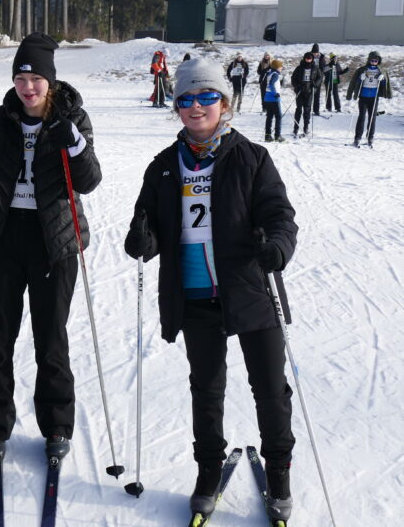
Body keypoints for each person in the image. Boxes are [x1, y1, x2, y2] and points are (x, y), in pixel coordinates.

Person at [123, 58, 298, 524]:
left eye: (206, 98)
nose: (196, 107)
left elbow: (280, 216)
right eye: (186, 99)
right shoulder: (163, 166)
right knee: (206, 390)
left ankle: (279, 472)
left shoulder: (251, 158)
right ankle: (207, 470)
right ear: (177, 106)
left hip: (248, 291)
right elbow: (147, 227)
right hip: (195, 296)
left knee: (270, 390)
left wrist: (277, 246)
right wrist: (142, 239)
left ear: (224, 103)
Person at [0, 32, 102, 464]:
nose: (28, 87)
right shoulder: (2, 120)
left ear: (50, 82)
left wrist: (72, 142)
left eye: (36, 78)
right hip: (4, 238)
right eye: (21, 78)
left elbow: (89, 180)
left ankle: (56, 425)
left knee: (50, 338)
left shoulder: (73, 117)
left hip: (53, 240)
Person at [346, 51, 393, 148]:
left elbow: (386, 84)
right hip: (363, 96)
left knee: (372, 118)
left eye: (376, 61)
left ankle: (370, 138)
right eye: (372, 60)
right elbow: (353, 82)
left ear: (378, 61)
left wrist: (383, 79)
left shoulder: (382, 71)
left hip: (374, 98)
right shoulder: (362, 70)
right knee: (361, 117)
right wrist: (360, 79)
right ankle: (357, 138)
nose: (374, 62)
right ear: (369, 60)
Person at [291, 52, 322, 138]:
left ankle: (305, 128)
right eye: (307, 58)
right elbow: (293, 78)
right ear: (304, 58)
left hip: (309, 91)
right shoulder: (299, 68)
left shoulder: (315, 68)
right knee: (298, 109)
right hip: (300, 91)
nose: (308, 60)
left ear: (312, 59)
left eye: (310, 59)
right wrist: (297, 86)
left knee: (307, 110)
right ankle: (295, 128)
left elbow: (320, 77)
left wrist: (315, 85)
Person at [264, 59, 285, 142]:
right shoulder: (275, 74)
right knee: (278, 116)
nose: (281, 68)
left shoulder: (270, 73)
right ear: (277, 67)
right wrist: (275, 93)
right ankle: (277, 135)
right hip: (274, 98)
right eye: (280, 67)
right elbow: (271, 84)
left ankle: (268, 135)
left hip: (267, 98)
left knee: (269, 116)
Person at [309, 44, 327, 116]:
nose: (314, 54)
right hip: (310, 78)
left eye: (315, 53)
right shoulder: (309, 56)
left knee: (317, 95)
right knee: (309, 94)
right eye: (313, 52)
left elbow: (324, 68)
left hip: (318, 78)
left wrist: (321, 72)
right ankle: (308, 109)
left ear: (318, 52)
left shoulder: (321, 58)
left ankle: (316, 110)